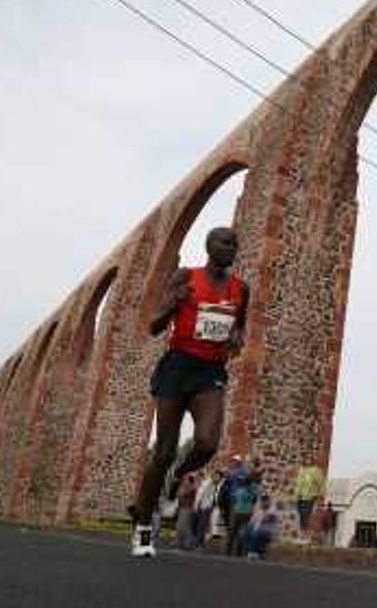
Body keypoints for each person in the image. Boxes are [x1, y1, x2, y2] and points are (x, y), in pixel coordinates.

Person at [128, 227, 249, 558]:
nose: (231, 248)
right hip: (177, 365)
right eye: (224, 242)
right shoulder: (186, 276)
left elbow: (239, 330)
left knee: (208, 443)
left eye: (235, 244)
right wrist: (172, 305)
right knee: (164, 449)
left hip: (210, 372)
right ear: (209, 246)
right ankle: (142, 527)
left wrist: (237, 339)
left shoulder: (241, 289)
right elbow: (153, 325)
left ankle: (176, 475)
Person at [227, 474, 257, 557]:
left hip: (237, 512)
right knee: (242, 533)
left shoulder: (238, 491)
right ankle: (238, 552)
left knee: (232, 532)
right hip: (247, 513)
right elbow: (254, 500)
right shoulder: (252, 492)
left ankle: (229, 551)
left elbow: (232, 499)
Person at [293, 464, 325, 543]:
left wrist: (320, 495)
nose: (308, 459)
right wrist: (296, 496)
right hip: (300, 498)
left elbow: (321, 484)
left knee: (308, 516)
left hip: (311, 497)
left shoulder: (316, 471)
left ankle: (308, 537)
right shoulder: (301, 470)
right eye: (306, 457)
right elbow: (298, 484)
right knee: (301, 517)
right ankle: (302, 536)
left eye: (310, 457)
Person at [244, 493, 280, 560]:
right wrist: (250, 525)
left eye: (266, 500)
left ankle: (254, 552)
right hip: (258, 530)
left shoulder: (272, 509)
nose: (264, 502)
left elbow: (269, 519)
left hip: (268, 532)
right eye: (262, 500)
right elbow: (252, 521)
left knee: (256, 534)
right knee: (246, 532)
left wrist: (261, 516)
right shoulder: (258, 509)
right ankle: (250, 551)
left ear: (269, 501)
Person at [173, 472, 199, 549]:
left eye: (186, 479)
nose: (184, 481)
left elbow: (182, 494)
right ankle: (179, 542)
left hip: (187, 508)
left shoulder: (191, 488)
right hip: (182, 507)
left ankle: (189, 543)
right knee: (180, 526)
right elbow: (179, 495)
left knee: (185, 527)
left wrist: (182, 490)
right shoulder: (187, 487)